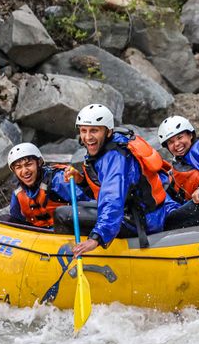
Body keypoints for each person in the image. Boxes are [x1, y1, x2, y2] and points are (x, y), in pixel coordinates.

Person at [58, 104, 177, 256]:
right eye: (83, 131)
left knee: (63, 214)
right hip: (133, 211)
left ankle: (69, 255)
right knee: (78, 206)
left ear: (108, 132)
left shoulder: (116, 157)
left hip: (142, 220)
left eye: (94, 130)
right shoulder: (106, 148)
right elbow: (102, 192)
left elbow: (112, 199)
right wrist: (81, 180)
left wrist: (97, 237)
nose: (88, 137)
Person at [2, 142, 84, 228]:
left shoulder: (58, 180)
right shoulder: (18, 192)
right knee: (5, 219)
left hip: (65, 229)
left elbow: (86, 205)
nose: (24, 171)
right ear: (14, 171)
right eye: (18, 167)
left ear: (39, 163)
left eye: (28, 164)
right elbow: (17, 219)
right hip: (38, 233)